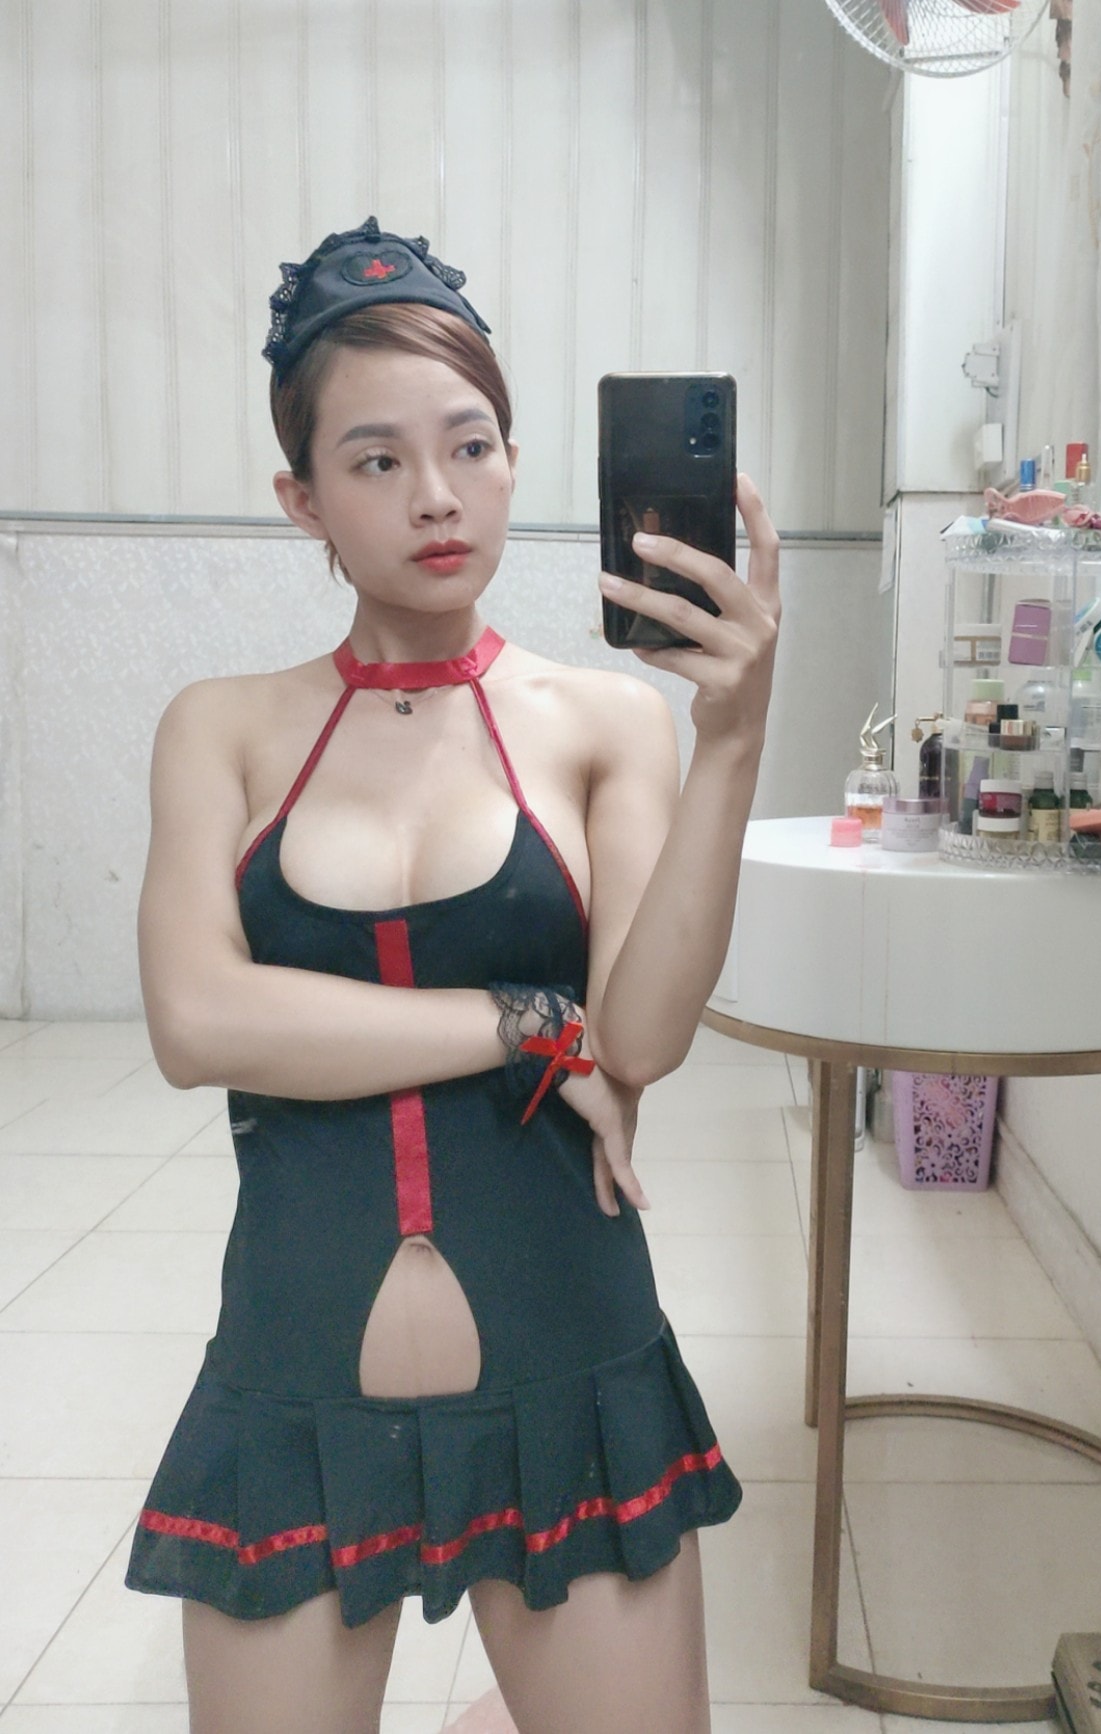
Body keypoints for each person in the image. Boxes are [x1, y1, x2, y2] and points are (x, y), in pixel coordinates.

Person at [125, 218, 780, 1734]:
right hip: (294, 1368)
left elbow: (642, 1034)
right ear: (302, 498)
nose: (436, 493)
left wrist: (734, 741)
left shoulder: (605, 722)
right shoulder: (223, 727)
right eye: (376, 460)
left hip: (574, 1345)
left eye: (470, 445)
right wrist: (521, 1019)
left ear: (513, 458)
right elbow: (196, 1019)